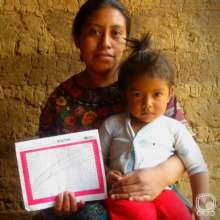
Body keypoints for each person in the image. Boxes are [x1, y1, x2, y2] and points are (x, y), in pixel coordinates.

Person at [39, 0, 187, 219]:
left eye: (116, 33)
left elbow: (186, 150)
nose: (105, 43)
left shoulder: (150, 88)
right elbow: (48, 169)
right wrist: (60, 197)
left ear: (126, 42)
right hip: (85, 203)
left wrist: (160, 175)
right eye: (94, 32)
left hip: (152, 190)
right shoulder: (61, 100)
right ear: (78, 39)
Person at [99, 34, 209, 220]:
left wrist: (205, 212)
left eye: (157, 94)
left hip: (165, 194)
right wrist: (108, 174)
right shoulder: (112, 125)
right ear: (125, 93)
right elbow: (94, 162)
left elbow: (198, 168)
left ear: (170, 93)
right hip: (125, 196)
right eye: (137, 95)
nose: (147, 104)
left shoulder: (174, 128)